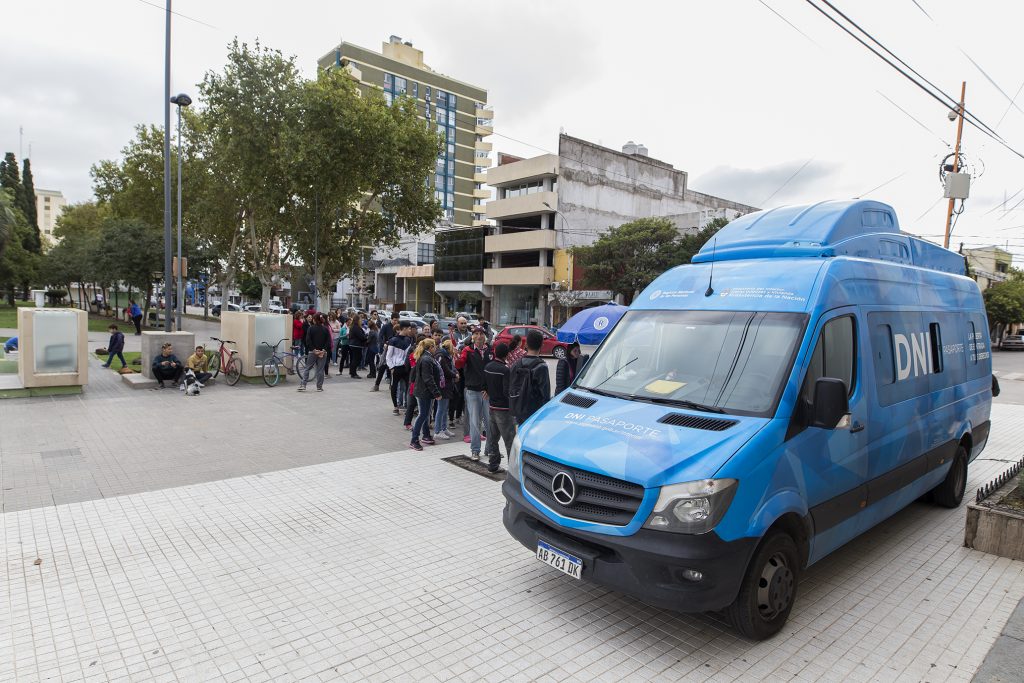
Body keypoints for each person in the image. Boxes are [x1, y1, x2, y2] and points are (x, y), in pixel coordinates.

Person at [455, 325, 493, 461]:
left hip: (487, 392)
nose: (479, 336)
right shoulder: (468, 350)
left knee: (490, 423)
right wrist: (456, 357)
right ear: (472, 337)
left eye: (481, 333)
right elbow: (459, 365)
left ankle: (490, 450)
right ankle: (475, 450)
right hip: (472, 391)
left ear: (485, 336)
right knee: (475, 423)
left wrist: (489, 389)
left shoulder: (490, 350)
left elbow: (493, 370)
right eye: (476, 334)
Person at [484, 342, 517, 473]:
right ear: (506, 355)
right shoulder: (505, 370)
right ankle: (513, 470)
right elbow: (506, 391)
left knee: (493, 438)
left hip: (491, 406)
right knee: (509, 440)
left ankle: (493, 465)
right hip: (503, 410)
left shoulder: (488, 366)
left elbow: (483, 384)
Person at [510, 329, 551, 425]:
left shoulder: (517, 364)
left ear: (526, 344)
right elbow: (545, 394)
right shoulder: (541, 366)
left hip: (519, 410)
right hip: (534, 413)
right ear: (541, 345)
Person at [409, 339, 442, 451]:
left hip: (423, 390)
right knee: (423, 415)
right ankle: (414, 440)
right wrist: (436, 393)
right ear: (430, 347)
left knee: (426, 414)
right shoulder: (427, 359)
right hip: (424, 391)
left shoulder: (424, 357)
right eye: (435, 346)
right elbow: (428, 378)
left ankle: (426, 435)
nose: (436, 348)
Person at [385, 323, 414, 415]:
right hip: (396, 368)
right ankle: (395, 407)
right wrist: (391, 367)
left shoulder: (409, 340)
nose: (410, 330)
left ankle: (407, 407)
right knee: (394, 387)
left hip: (406, 368)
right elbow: (388, 356)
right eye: (409, 329)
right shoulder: (393, 340)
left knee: (409, 388)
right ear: (404, 329)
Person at [298, 313, 331, 392]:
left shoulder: (311, 328)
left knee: (307, 368)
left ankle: (303, 385)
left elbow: (308, 340)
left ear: (314, 319)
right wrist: (323, 350)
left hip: (312, 352)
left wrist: (313, 350)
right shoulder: (325, 329)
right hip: (323, 353)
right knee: (320, 370)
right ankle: (319, 387)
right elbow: (328, 341)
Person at [434, 339, 457, 439]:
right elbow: (444, 370)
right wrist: (454, 375)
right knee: (441, 409)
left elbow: (451, 368)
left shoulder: (446, 356)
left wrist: (454, 373)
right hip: (442, 386)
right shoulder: (441, 356)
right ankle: (437, 431)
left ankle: (444, 428)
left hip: (447, 385)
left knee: (444, 408)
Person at [373, 312, 399, 392]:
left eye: (397, 320)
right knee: (382, 367)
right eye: (394, 320)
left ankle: (391, 386)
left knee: (393, 369)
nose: (396, 322)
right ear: (391, 319)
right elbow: (380, 336)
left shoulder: (399, 326)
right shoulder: (386, 326)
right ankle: (376, 385)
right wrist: (383, 344)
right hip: (386, 349)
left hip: (396, 350)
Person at [347, 313, 367, 378]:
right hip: (356, 345)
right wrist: (365, 336)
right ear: (357, 320)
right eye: (360, 319)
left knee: (354, 359)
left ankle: (352, 372)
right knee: (357, 359)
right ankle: (354, 373)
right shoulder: (356, 327)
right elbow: (361, 337)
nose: (361, 321)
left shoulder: (353, 326)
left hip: (353, 344)